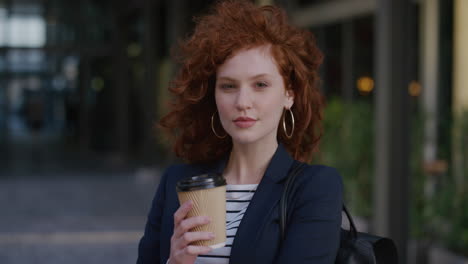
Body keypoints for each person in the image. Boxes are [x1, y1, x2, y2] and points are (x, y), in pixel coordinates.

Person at [137, 1, 343, 263]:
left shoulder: (313, 188)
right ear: (213, 95)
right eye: (228, 86)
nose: (243, 102)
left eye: (260, 84)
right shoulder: (176, 182)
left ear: (288, 94)